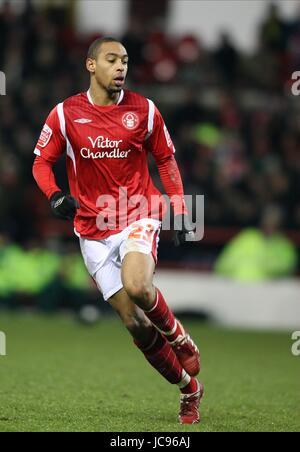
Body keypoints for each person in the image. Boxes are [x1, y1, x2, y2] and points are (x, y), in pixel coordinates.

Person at [32, 37, 203, 424]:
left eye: (125, 60)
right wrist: (54, 194)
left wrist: (178, 208)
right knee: (136, 325)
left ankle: (180, 338)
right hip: (92, 229)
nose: (121, 66)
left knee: (139, 285)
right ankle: (189, 389)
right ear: (91, 65)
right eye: (112, 60)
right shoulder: (64, 114)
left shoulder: (144, 110)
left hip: (138, 211)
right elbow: (42, 163)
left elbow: (166, 160)